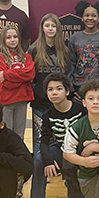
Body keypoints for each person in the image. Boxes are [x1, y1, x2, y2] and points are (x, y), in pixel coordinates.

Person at [30, 73, 86, 198]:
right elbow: (44, 141)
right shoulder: (48, 115)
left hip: (81, 151)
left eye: (58, 89)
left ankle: (72, 178)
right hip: (60, 149)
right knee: (38, 158)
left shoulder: (82, 110)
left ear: (67, 91)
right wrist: (48, 160)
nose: (54, 92)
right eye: (50, 89)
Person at [27, 13, 72, 155]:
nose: (50, 29)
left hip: (59, 103)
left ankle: (58, 167)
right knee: (40, 138)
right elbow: (29, 76)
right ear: (42, 28)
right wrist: (36, 91)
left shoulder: (65, 50)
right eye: (47, 26)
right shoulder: (33, 49)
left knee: (59, 138)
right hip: (40, 103)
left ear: (58, 29)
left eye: (53, 26)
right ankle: (40, 168)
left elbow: (69, 74)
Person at [0, 24, 35, 142]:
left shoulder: (26, 56)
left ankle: (17, 158)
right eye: (8, 37)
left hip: (21, 99)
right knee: (6, 133)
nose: (12, 40)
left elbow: (30, 74)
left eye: (15, 37)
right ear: (3, 40)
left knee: (19, 135)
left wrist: (7, 75)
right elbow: (6, 83)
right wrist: (21, 78)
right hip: (5, 100)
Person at [68, 0, 99, 95]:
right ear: (82, 18)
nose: (90, 18)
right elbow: (71, 63)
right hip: (80, 85)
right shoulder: (75, 38)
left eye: (94, 15)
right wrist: (71, 88)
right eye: (87, 15)